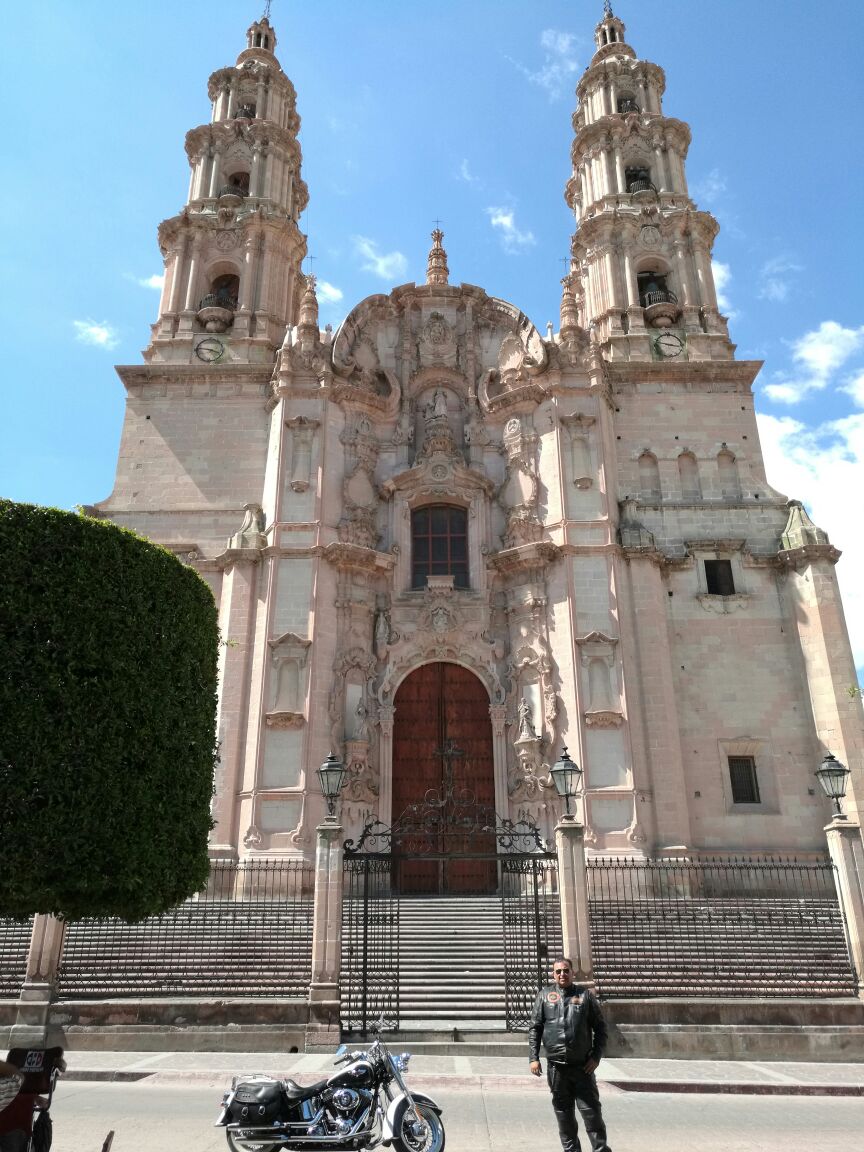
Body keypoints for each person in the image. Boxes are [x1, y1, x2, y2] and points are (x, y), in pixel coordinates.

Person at [529, 958, 612, 1152]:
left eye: (566, 970)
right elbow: (535, 1028)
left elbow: (601, 1029)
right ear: (553, 974)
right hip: (557, 1069)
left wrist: (596, 1057)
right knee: (564, 1117)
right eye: (558, 971)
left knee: (592, 1114)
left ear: (572, 973)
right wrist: (533, 1058)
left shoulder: (585, 996)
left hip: (583, 1067)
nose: (562, 974)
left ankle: (600, 1149)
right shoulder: (544, 996)